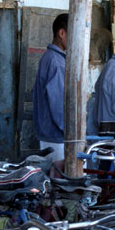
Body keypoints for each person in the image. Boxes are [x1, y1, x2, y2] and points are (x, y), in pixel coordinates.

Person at [32, 13, 68, 162]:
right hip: (57, 137)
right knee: (64, 182)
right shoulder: (56, 62)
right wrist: (71, 133)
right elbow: (58, 104)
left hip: (50, 134)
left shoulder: (51, 57)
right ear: (62, 33)